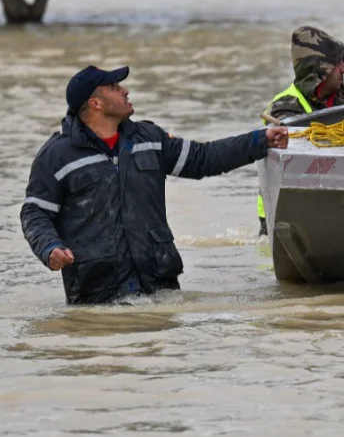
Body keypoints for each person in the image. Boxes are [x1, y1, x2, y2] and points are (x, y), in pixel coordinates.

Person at [21, 66, 290, 304]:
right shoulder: (56, 155)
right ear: (95, 103)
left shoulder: (148, 138)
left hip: (160, 288)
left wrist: (259, 141)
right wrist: (49, 248)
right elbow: (35, 212)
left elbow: (203, 159)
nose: (125, 91)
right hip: (95, 296)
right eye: (115, 87)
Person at [256, 25, 344, 235]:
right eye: (338, 64)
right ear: (320, 71)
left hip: (335, 205)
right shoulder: (284, 107)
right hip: (282, 214)